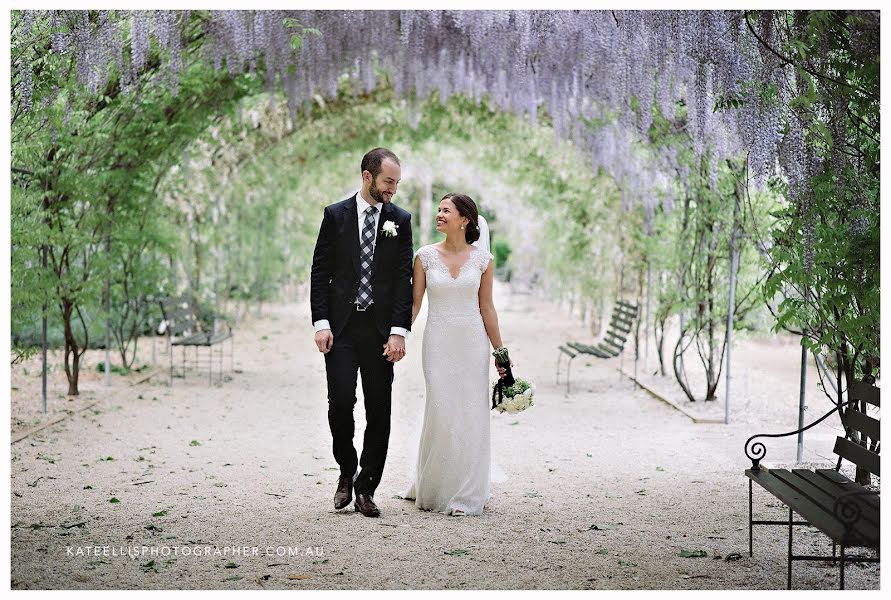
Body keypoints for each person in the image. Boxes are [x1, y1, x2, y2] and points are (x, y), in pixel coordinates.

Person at [310, 148, 413, 518]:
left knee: (379, 410)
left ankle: (367, 487)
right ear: (367, 177)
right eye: (388, 182)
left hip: (380, 331)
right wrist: (320, 322)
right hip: (341, 328)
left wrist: (399, 331)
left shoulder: (400, 220)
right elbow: (320, 272)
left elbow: (404, 279)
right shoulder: (334, 215)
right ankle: (345, 470)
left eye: (397, 183)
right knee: (340, 403)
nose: (393, 190)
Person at [403, 193, 508, 516]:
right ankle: (435, 485)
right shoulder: (424, 257)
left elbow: (486, 307)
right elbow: (415, 303)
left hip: (472, 343)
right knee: (441, 407)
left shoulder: (483, 260)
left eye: (445, 210)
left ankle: (467, 492)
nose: (439, 214)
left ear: (464, 220)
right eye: (438, 210)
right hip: (437, 342)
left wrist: (500, 351)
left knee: (470, 411)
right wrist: (397, 335)